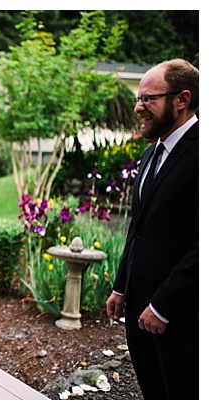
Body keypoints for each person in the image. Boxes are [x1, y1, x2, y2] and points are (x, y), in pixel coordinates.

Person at [105, 58, 198, 400]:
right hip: (139, 312)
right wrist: (120, 287)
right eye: (137, 98)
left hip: (182, 317)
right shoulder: (150, 155)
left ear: (181, 99)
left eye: (148, 99)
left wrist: (163, 306)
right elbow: (138, 228)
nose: (138, 107)